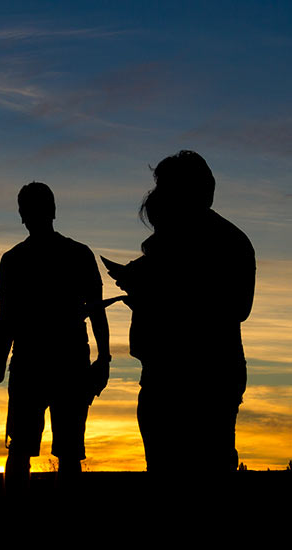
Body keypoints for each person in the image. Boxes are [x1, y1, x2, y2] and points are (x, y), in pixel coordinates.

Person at [107, 150, 255, 476]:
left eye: (165, 186)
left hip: (203, 377)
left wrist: (156, 297)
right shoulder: (174, 241)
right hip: (172, 373)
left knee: (197, 467)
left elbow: (236, 308)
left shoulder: (224, 242)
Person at [0, 182, 111, 493]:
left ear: (22, 215)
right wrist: (103, 358)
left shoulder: (15, 259)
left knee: (28, 450)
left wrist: (0, 367)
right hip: (58, 363)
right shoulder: (75, 254)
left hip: (42, 363)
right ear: (52, 211)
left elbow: (7, 319)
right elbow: (96, 311)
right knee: (60, 453)